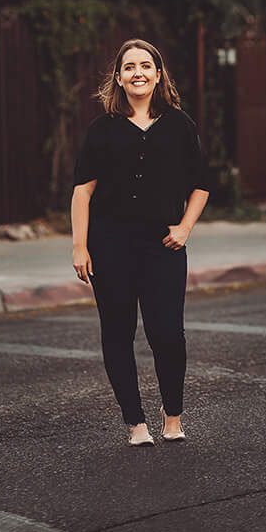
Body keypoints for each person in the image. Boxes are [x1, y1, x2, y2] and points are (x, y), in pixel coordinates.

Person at [71, 37, 213, 445]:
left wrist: (185, 228)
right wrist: (80, 246)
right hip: (110, 246)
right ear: (119, 77)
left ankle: (172, 417)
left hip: (162, 246)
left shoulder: (179, 125)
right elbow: (83, 191)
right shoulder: (102, 130)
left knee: (167, 332)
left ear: (157, 75)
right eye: (130, 66)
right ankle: (135, 424)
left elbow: (201, 185)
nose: (138, 73)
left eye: (146, 66)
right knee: (117, 333)